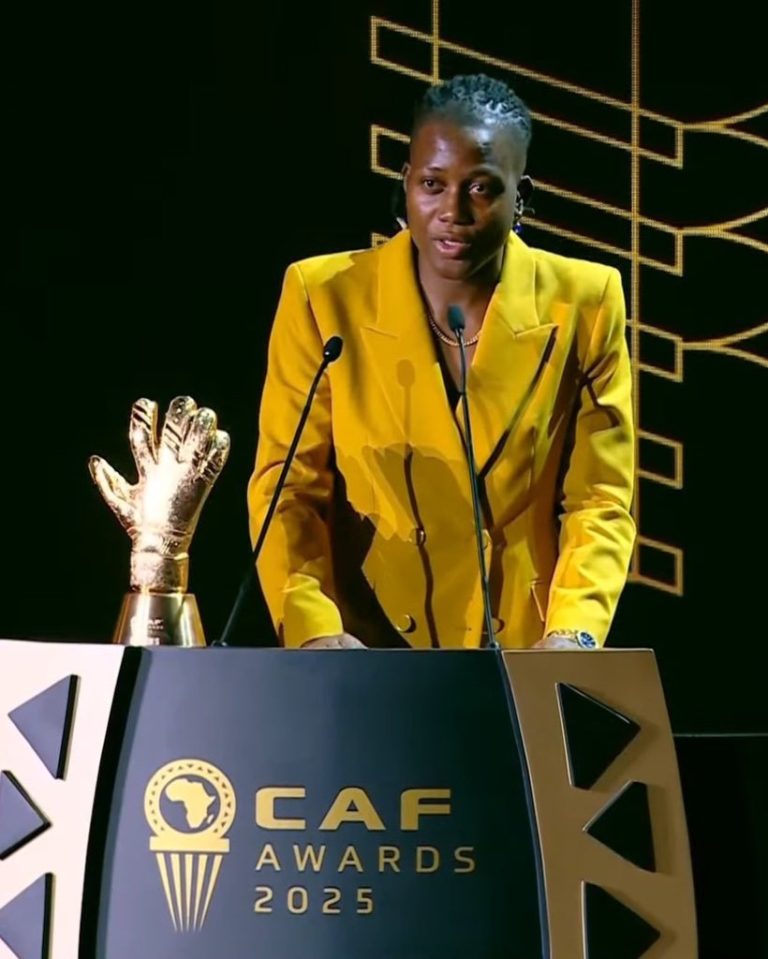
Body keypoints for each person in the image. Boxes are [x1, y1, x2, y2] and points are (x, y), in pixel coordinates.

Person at [248, 74, 635, 651]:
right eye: (432, 184)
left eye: (480, 188)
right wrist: (314, 632)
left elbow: (600, 500)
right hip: (367, 650)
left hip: (522, 653)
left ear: (520, 195)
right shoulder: (322, 297)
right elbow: (288, 491)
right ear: (406, 183)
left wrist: (572, 636)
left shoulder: (586, 301)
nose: (452, 211)